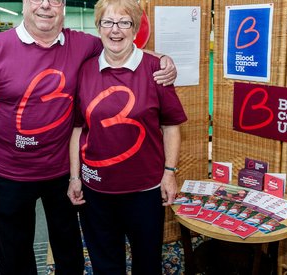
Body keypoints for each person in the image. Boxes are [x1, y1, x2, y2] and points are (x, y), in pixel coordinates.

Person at [0, 0, 177, 273]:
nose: (46, 5)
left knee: (69, 251)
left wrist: (162, 61)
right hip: (10, 171)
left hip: (62, 172)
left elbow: (121, 47)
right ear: (24, 4)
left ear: (63, 7)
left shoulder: (84, 45)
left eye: (55, 0)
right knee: (14, 254)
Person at [66, 0, 187, 273]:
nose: (115, 30)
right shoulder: (84, 71)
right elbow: (76, 128)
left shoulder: (156, 69)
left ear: (135, 29)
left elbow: (171, 125)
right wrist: (75, 177)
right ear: (98, 27)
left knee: (147, 262)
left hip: (144, 190)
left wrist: (169, 172)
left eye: (124, 22)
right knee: (105, 263)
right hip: (96, 189)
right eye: (107, 22)